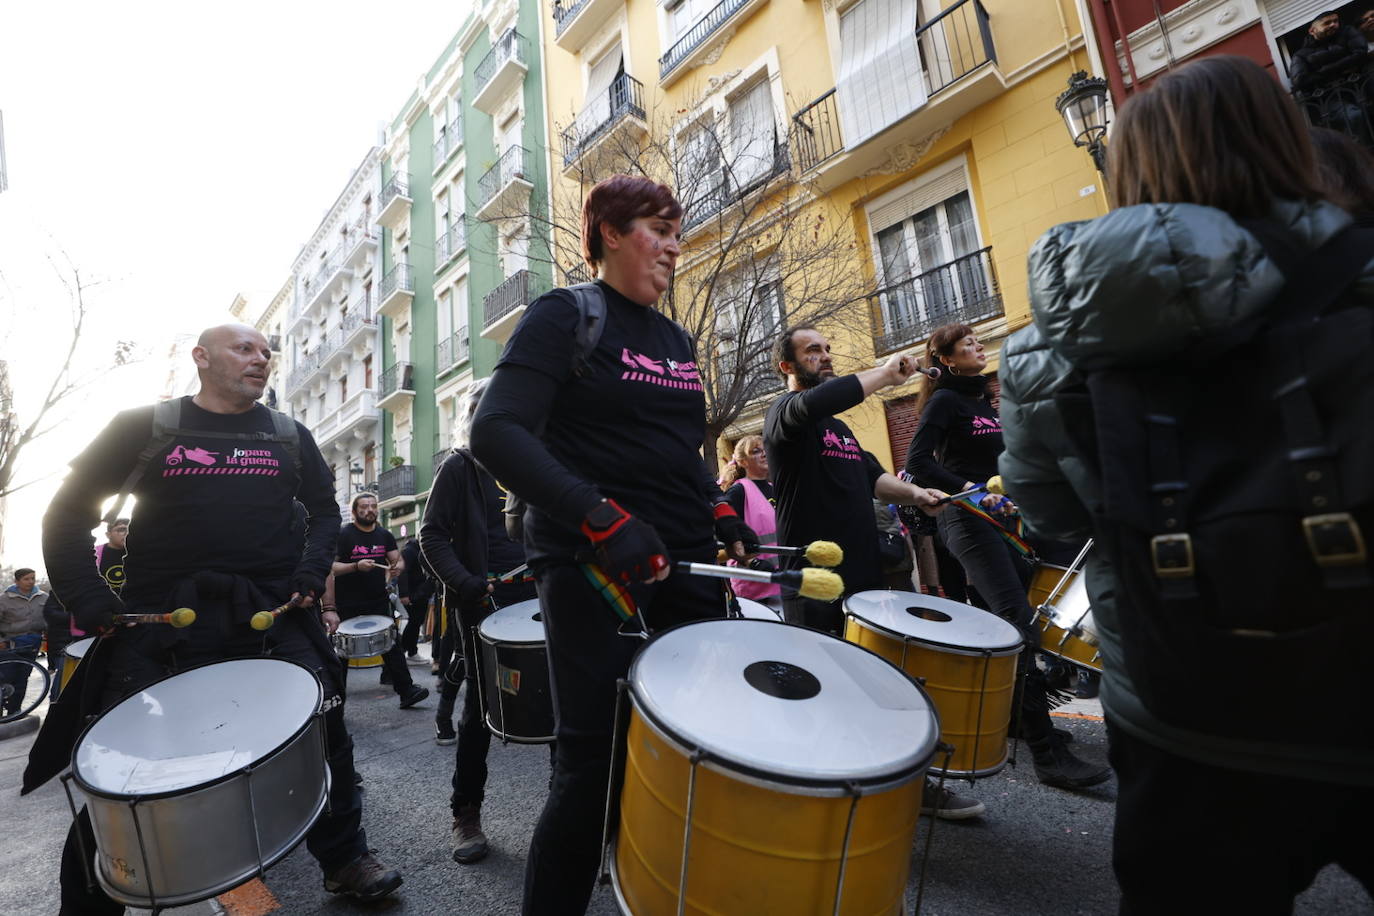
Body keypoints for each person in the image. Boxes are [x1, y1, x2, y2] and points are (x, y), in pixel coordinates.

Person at [998, 56, 1374, 911]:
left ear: (1129, 172)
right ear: (1284, 140)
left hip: (1181, 708)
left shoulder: (1043, 351)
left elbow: (1051, 512)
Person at [34, 323, 402, 910]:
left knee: (324, 736)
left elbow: (324, 510)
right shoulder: (143, 427)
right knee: (127, 766)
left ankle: (344, 858)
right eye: (245, 349)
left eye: (266, 352)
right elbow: (69, 513)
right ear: (201, 358)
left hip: (271, 614)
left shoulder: (288, 434)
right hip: (164, 625)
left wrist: (310, 572)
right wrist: (89, 596)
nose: (262, 359)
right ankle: (92, 899)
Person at [470, 174, 758, 915]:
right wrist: (602, 519)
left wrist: (718, 510)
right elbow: (495, 430)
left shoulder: (677, 340)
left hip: (682, 564)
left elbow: (677, 451)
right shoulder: (567, 314)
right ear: (608, 232)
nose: (672, 247)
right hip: (590, 564)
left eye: (677, 233)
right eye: (657, 230)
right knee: (590, 764)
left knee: (696, 746)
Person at [764, 325, 984, 820]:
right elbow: (822, 400)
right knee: (823, 693)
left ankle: (907, 785)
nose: (824, 356)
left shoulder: (840, 430)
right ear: (788, 367)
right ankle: (827, 801)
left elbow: (872, 477)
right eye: (811, 351)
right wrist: (884, 375)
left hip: (865, 576)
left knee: (878, 683)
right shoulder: (786, 416)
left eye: (826, 348)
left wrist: (917, 494)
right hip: (815, 578)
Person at [904, 324, 1111, 792]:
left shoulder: (985, 403)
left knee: (1050, 606)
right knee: (1018, 624)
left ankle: (1020, 717)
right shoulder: (945, 401)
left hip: (1008, 518)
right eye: (969, 345)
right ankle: (1047, 754)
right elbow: (918, 463)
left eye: (979, 341)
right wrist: (972, 492)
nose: (979, 347)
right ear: (948, 360)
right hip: (968, 520)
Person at [421, 377, 541, 865]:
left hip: (540, 596)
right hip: (485, 604)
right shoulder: (460, 467)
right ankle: (465, 813)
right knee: (480, 710)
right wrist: (467, 582)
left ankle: (568, 809)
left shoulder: (533, 461)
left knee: (564, 702)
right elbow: (432, 537)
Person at [330, 493, 428, 708]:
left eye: (373, 506)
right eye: (364, 506)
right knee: (341, 652)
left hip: (377, 599)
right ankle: (336, 700)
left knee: (391, 644)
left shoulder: (384, 535)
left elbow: (398, 560)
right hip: (347, 602)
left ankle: (406, 691)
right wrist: (355, 566)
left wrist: (396, 568)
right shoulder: (344, 535)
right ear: (355, 511)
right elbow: (331, 568)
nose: (370, 510)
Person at [720, 434, 782, 609]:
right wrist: (752, 562)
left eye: (765, 450)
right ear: (743, 462)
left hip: (780, 583)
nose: (764, 454)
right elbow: (727, 537)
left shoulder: (774, 489)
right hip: (753, 590)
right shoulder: (738, 492)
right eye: (756, 451)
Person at [0, 568, 47, 717]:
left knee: (22, 678)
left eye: (33, 578)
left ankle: (15, 711)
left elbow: (49, 619)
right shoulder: (4, 599)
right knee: (6, 677)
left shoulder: (43, 597)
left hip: (31, 643)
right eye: (26, 579)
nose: (31, 582)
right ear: (17, 581)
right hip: (8, 645)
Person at [398, 535, 434, 665]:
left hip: (421, 592)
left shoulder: (419, 550)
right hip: (413, 593)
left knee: (416, 622)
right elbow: (402, 572)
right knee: (415, 621)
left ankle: (409, 651)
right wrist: (404, 594)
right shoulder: (410, 551)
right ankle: (406, 651)